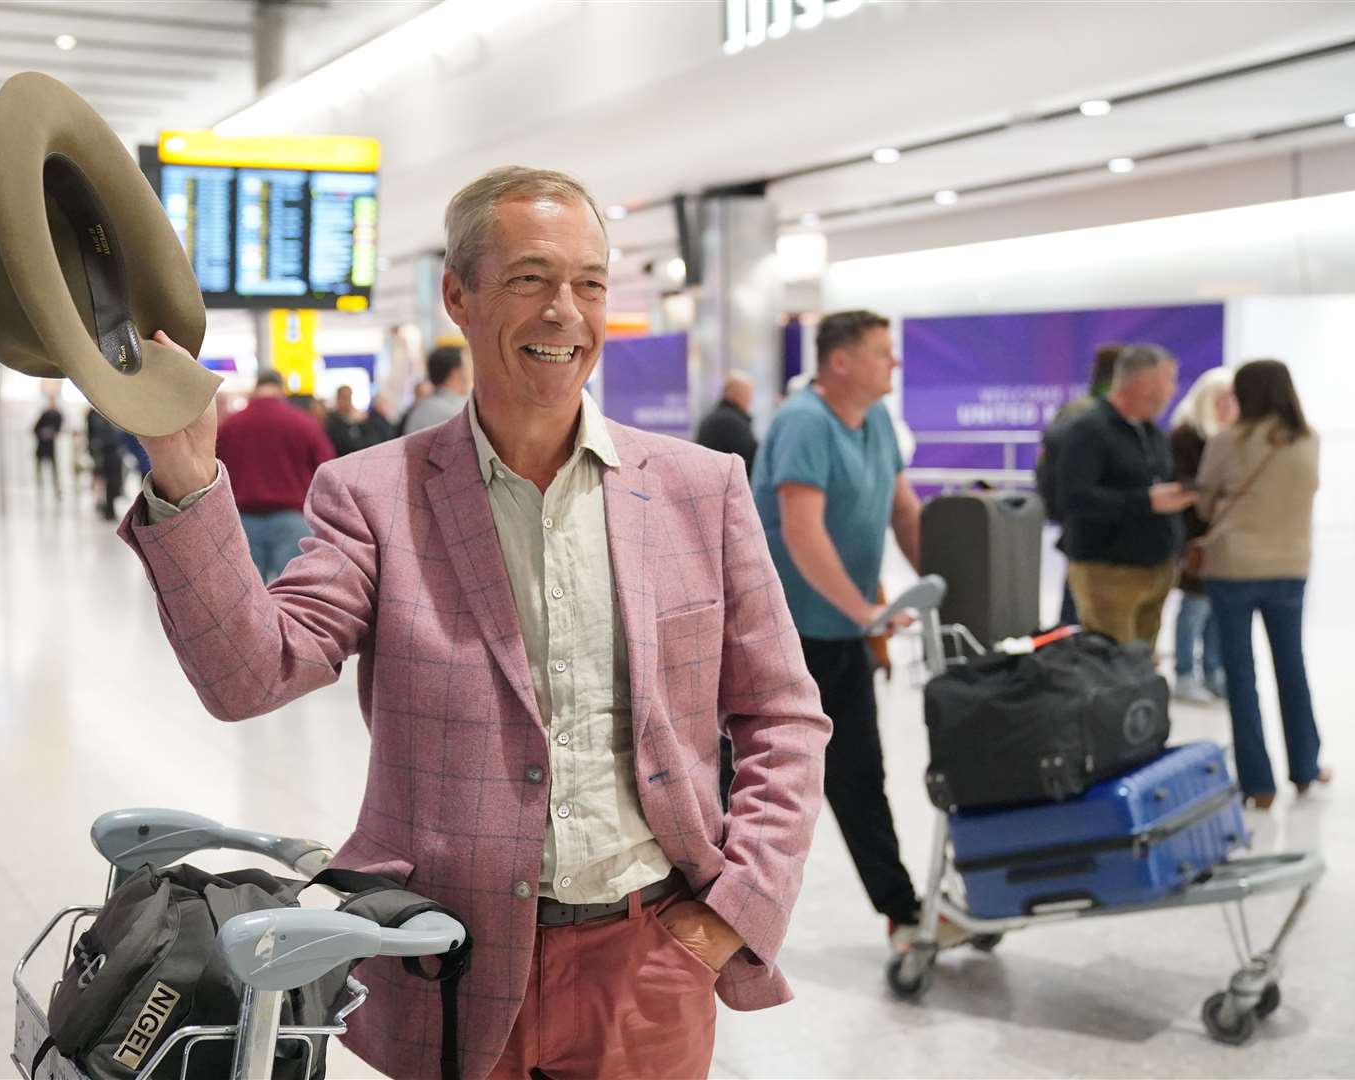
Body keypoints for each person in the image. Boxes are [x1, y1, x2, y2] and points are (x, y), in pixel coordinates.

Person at [123, 166, 828, 1080]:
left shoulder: (700, 489)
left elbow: (782, 715)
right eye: (530, 279)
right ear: (459, 294)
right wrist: (187, 478)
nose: (563, 313)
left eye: (589, 284)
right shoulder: (374, 495)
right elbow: (252, 676)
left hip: (648, 961)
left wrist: (735, 908)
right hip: (443, 961)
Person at [738, 308, 946, 954]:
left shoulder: (877, 419)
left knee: (859, 775)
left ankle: (902, 912)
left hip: (841, 635)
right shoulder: (804, 423)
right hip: (783, 637)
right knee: (755, 783)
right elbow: (802, 533)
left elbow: (904, 509)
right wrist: (865, 611)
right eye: (883, 352)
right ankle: (723, 914)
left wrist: (945, 585)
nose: (896, 363)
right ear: (840, 362)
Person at [1195, 359, 1328, 810]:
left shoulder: (1226, 441)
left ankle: (1259, 784)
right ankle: (1306, 767)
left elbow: (1205, 502)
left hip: (1232, 568)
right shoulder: (1310, 439)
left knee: (1241, 673)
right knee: (1292, 666)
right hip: (1291, 566)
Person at [1052, 344, 1196, 647]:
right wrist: (1146, 501)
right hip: (1109, 572)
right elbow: (1074, 498)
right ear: (1143, 383)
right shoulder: (1088, 431)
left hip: (1156, 568)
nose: (1173, 390)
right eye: (1168, 380)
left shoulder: (1151, 432)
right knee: (1113, 668)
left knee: (1141, 667)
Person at [217, 370, 337, 582]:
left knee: (248, 599)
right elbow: (327, 469)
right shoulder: (304, 423)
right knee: (294, 595)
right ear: (281, 390)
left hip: (242, 520)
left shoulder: (231, 425)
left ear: (256, 388)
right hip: (291, 519)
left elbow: (215, 471)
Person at [1035, 343, 1122, 625]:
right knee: (1080, 601)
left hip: (1084, 521)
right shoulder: (1089, 416)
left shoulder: (1079, 411)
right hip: (1089, 523)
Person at [1167, 368, 1236, 703]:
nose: (1229, 405)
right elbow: (1184, 484)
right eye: (1223, 398)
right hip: (1195, 535)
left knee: (1218, 610)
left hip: (1225, 537)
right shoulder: (1187, 435)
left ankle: (1213, 671)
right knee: (1195, 607)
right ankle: (1183, 673)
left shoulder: (1230, 437)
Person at [694, 369, 758, 475]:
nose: (750, 399)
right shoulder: (732, 423)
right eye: (748, 394)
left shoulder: (713, 417)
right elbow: (749, 458)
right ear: (737, 394)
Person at [400, 344, 472, 434]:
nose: (472, 372)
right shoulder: (456, 414)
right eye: (468, 366)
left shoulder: (420, 408)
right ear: (454, 373)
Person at [324, 385, 393, 456]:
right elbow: (351, 445)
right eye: (344, 398)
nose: (348, 402)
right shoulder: (332, 422)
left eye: (349, 398)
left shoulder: (357, 419)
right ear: (337, 399)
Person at [85, 408, 128, 521]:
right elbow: (93, 437)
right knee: (103, 482)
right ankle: (105, 507)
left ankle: (108, 508)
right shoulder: (94, 416)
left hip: (112, 455)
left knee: (112, 484)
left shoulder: (110, 415)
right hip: (104, 455)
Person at [32, 401, 64, 498]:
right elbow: (35, 429)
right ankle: (40, 486)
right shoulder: (44, 415)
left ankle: (55, 487)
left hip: (49, 446)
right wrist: (43, 433)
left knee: (53, 469)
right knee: (40, 468)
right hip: (42, 446)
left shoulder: (56, 416)